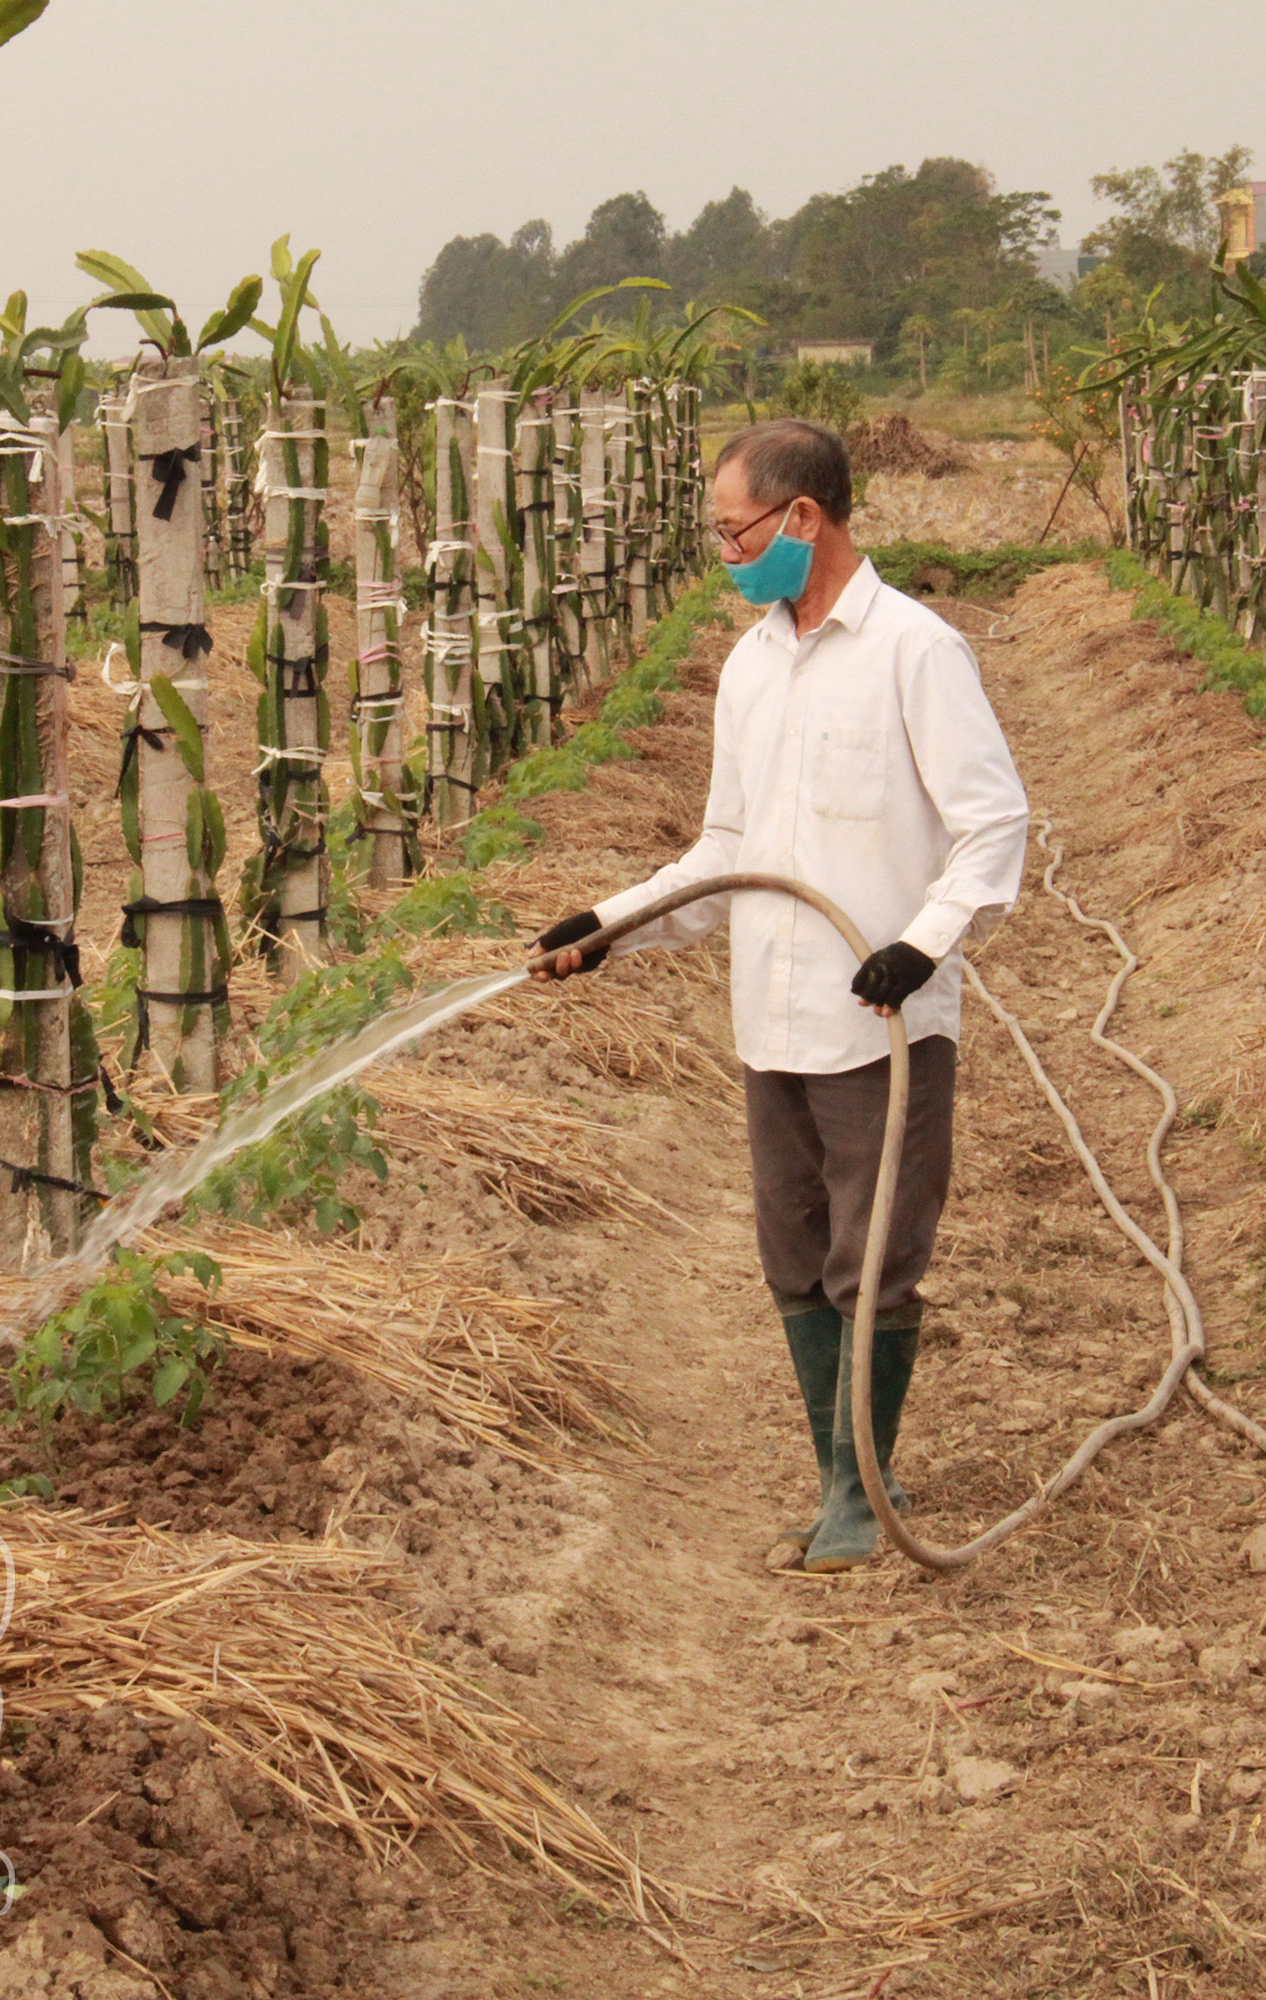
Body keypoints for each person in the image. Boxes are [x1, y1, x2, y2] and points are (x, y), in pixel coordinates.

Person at [531, 418, 1029, 1573]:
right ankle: (837, 1471)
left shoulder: (914, 651)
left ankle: (862, 1487)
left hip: (882, 1025)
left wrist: (923, 944)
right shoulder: (751, 665)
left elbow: (992, 824)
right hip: (773, 1015)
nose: (726, 556)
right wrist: (611, 924)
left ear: (803, 516)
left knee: (874, 1254)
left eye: (734, 532)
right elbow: (727, 849)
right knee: (794, 1251)